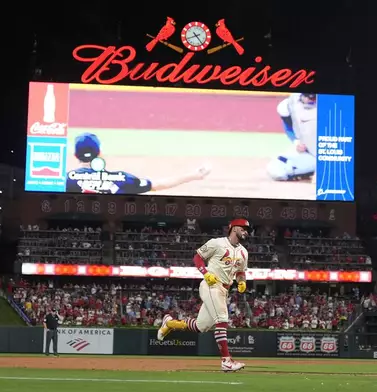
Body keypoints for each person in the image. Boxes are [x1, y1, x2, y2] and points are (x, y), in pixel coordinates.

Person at [156, 218, 251, 372]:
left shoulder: (244, 252)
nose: (246, 231)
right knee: (221, 319)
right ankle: (226, 361)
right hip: (211, 285)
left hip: (224, 289)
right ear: (234, 228)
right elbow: (197, 257)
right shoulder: (217, 243)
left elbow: (240, 272)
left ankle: (170, 323)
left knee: (201, 327)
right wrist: (205, 273)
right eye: (243, 228)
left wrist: (242, 282)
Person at [66, 132, 211, 194]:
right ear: (99, 154)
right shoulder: (122, 179)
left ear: (75, 155)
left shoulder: (63, 180)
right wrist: (194, 175)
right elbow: (159, 185)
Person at [266, 93, 317, 181]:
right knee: (277, 169)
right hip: (306, 150)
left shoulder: (330, 104)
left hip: (327, 150)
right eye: (308, 96)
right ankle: (308, 170)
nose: (310, 100)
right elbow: (288, 127)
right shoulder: (289, 105)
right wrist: (296, 142)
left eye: (313, 97)